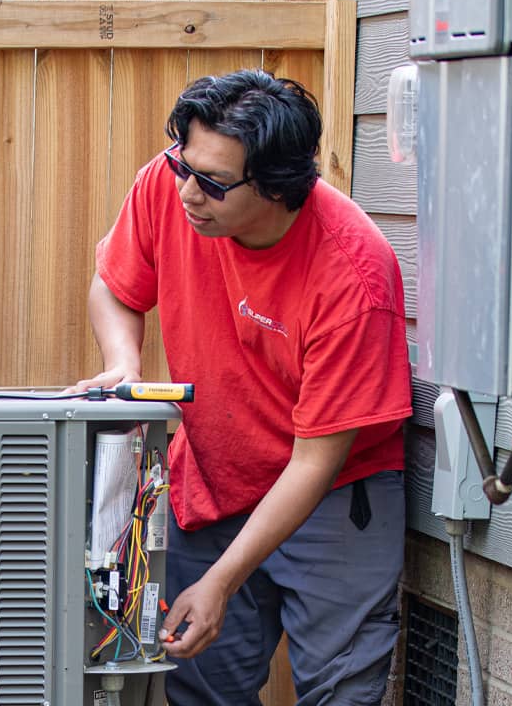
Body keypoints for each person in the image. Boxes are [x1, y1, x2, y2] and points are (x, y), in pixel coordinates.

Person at [74, 69, 412, 705]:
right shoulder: (172, 182)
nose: (187, 192)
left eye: (213, 183)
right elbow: (116, 287)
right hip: (211, 478)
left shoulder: (354, 278)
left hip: (332, 495)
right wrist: (124, 362)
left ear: (278, 188)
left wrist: (223, 583)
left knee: (341, 694)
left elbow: (315, 461)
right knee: (198, 688)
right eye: (184, 164)